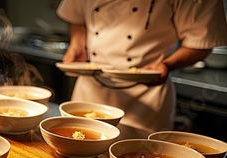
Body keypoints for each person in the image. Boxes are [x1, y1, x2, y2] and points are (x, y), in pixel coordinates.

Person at [57, 0, 227, 133]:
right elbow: (76, 17)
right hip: (90, 89)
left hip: (146, 98)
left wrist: (167, 64)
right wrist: (77, 43)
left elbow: (200, 41)